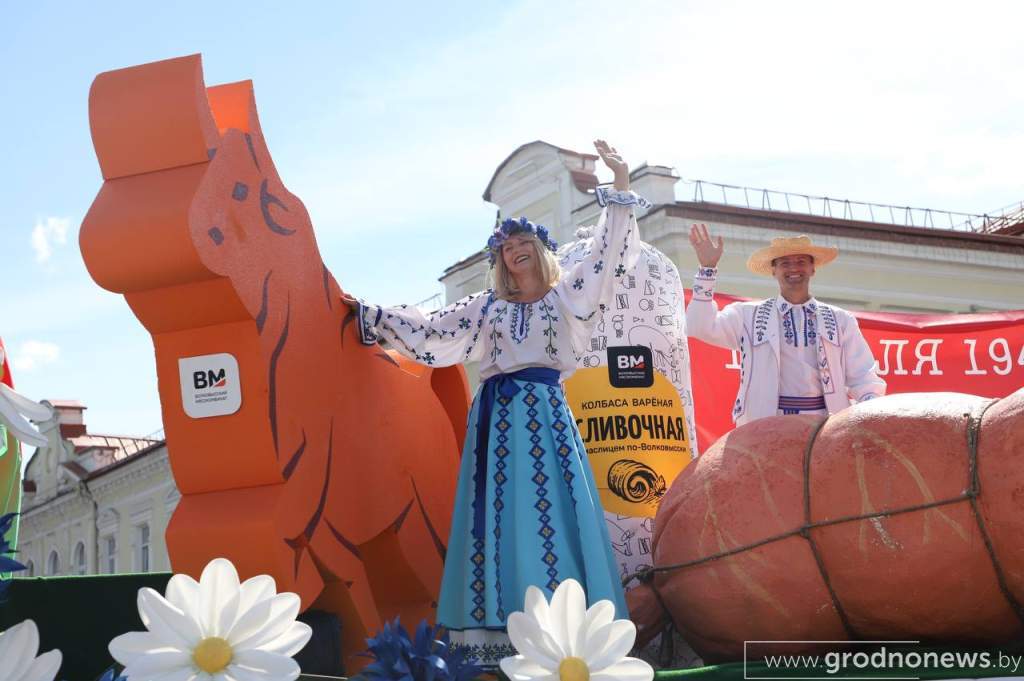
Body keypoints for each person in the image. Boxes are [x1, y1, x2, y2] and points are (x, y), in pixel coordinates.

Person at [343, 140, 649, 667]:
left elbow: (604, 258)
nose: (516, 250)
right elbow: (433, 328)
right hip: (498, 423)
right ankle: (497, 640)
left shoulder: (566, 297)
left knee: (553, 513)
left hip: (547, 419)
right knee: (500, 520)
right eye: (507, 247)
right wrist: (373, 316)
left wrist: (620, 188)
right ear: (501, 261)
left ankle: (567, 639)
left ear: (541, 251)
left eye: (525, 241)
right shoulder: (486, 308)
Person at [685, 225, 885, 426]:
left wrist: (870, 416)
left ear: (812, 268)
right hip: (764, 425)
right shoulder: (746, 315)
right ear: (774, 270)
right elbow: (699, 326)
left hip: (826, 427)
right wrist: (707, 269)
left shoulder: (841, 319)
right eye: (785, 263)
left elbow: (863, 376)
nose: (794, 268)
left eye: (800, 261)